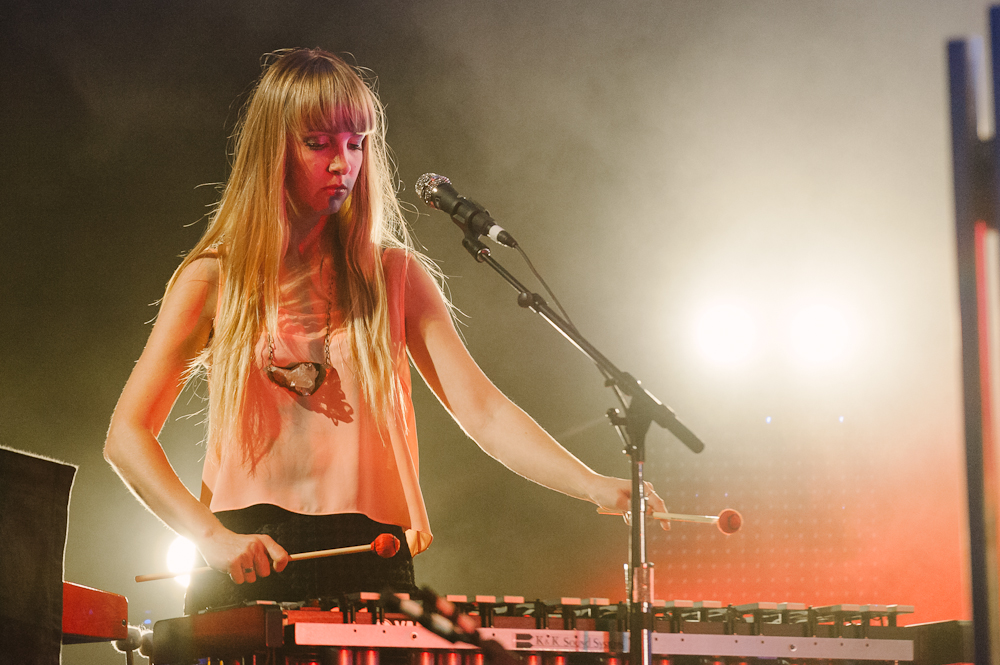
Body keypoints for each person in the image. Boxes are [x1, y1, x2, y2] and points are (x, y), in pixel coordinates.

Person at [103, 47, 664, 613]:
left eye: (356, 142)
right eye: (318, 142)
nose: (342, 162)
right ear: (274, 150)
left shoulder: (395, 275)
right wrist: (210, 538)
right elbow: (126, 434)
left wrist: (591, 483)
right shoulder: (214, 280)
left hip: (371, 552)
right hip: (247, 558)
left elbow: (484, 412)